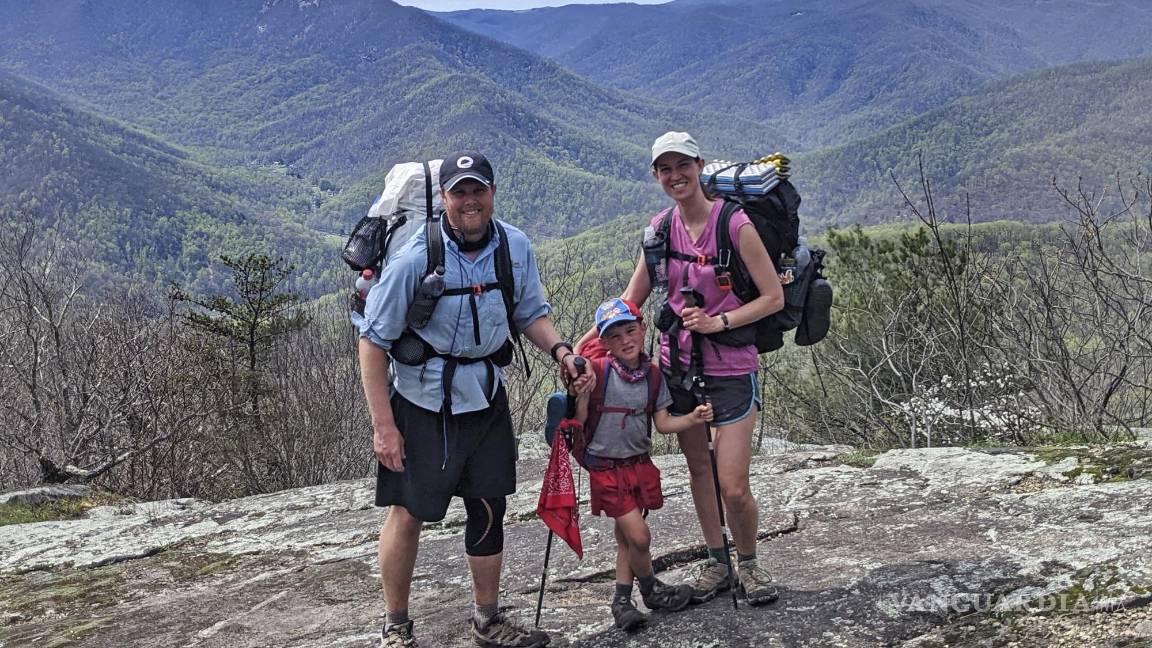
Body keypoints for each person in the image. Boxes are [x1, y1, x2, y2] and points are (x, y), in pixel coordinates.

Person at [359, 151, 592, 648]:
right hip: (422, 403)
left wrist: (562, 350)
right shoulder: (416, 258)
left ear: (492, 192)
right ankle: (396, 626)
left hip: (486, 398)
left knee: (489, 506)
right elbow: (373, 340)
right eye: (459, 191)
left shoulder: (514, 246)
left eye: (477, 190)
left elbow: (530, 311)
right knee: (408, 510)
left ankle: (488, 619)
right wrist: (384, 427)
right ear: (443, 197)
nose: (470, 200)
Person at [578, 132, 785, 606]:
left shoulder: (735, 225)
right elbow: (632, 299)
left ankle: (749, 564)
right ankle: (717, 560)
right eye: (665, 169)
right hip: (678, 368)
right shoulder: (659, 232)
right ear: (656, 175)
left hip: (731, 368)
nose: (675, 176)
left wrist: (719, 321)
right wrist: (582, 349)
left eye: (682, 165)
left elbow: (772, 297)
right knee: (699, 470)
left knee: (732, 485)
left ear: (700, 165)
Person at [571, 298, 711, 631]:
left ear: (643, 329)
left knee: (627, 540)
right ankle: (649, 588)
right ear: (604, 343)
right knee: (641, 536)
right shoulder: (599, 373)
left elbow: (662, 423)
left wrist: (692, 418)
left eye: (630, 330)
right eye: (615, 336)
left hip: (637, 464)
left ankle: (623, 601)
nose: (625, 340)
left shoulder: (651, 375)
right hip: (605, 467)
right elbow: (577, 421)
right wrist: (581, 395)